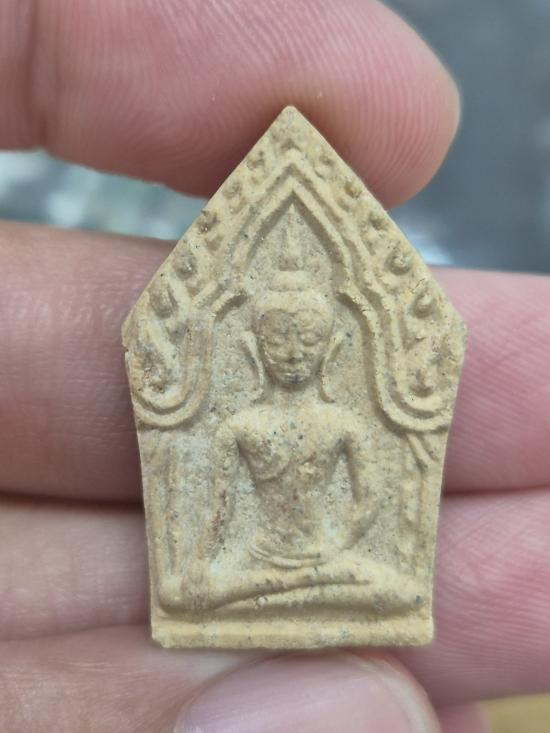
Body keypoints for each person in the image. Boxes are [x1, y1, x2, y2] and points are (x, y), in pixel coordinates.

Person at [0, 1, 548, 731]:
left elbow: (367, 508)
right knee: (189, 591)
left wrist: (340, 554)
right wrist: (207, 570)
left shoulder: (345, 425)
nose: (292, 352)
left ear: (331, 348)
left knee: (387, 585)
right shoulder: (239, 427)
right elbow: (211, 526)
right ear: (254, 347)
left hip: (330, 564)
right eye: (279, 341)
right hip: (248, 565)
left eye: (305, 342)